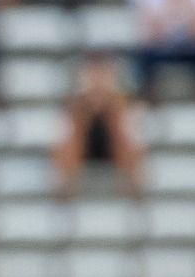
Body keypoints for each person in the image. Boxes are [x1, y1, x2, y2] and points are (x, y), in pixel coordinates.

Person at [54, 54, 143, 195]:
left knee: (134, 147)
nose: (98, 80)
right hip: (83, 150)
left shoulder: (119, 105)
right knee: (63, 149)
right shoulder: (75, 106)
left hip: (112, 150)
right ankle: (67, 196)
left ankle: (132, 195)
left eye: (102, 75)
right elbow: (64, 145)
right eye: (94, 75)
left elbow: (129, 143)